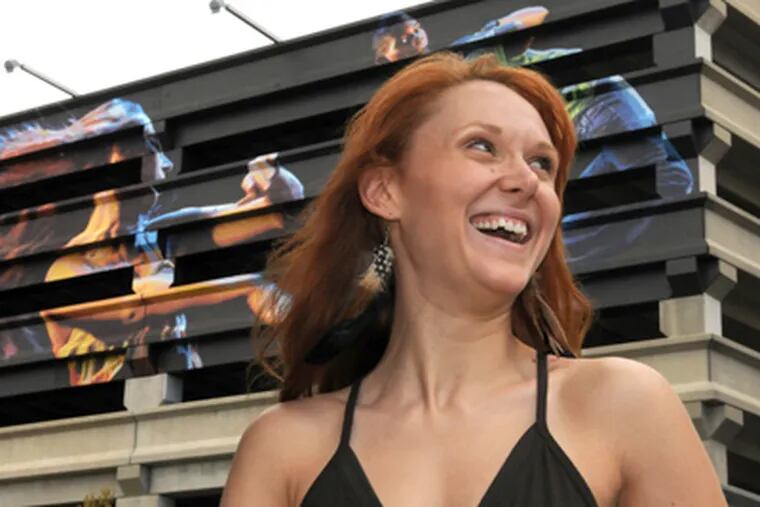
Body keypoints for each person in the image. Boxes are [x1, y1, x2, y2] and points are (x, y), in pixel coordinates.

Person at [221, 51, 726, 506]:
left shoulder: (624, 407)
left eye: (542, 163)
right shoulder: (283, 449)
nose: (526, 180)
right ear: (384, 191)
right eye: (482, 146)